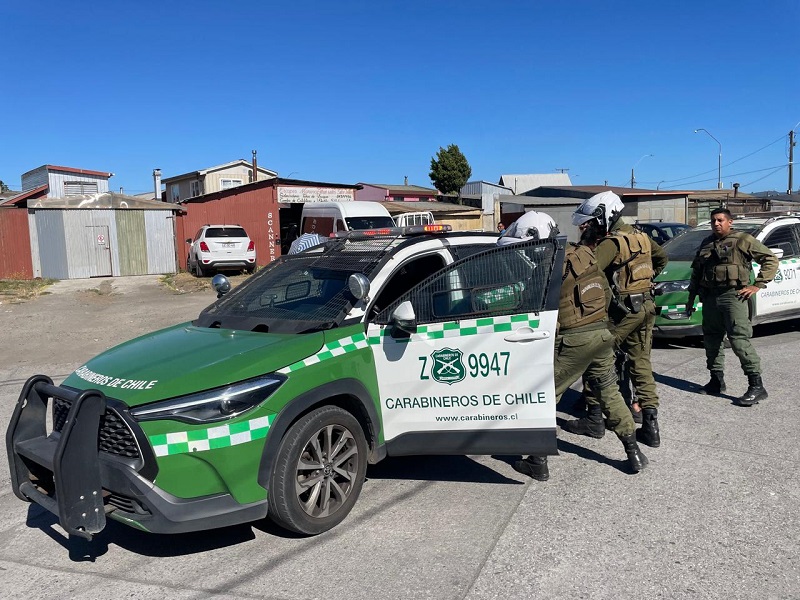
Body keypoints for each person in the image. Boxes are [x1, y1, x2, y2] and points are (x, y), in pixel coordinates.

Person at [504, 211, 648, 481]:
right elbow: (605, 291)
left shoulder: (549, 264)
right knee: (610, 393)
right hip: (600, 335)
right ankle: (634, 451)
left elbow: (529, 304)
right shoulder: (583, 254)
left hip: (573, 339)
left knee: (543, 397)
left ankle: (537, 460)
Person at [561, 191, 667, 449]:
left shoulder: (612, 243)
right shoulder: (641, 236)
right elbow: (661, 258)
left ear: (605, 216)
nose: (590, 226)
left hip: (621, 312)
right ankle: (650, 426)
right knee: (640, 362)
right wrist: (644, 282)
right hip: (646, 306)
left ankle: (594, 418)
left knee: (595, 355)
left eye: (593, 222)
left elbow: (585, 272)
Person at [686, 207, 778, 406]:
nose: (716, 224)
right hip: (710, 297)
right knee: (711, 339)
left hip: (733, 296)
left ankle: (756, 385)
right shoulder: (706, 243)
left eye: (720, 220)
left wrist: (757, 284)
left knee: (738, 339)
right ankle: (716, 381)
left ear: (730, 222)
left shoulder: (743, 240)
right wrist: (691, 297)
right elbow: (696, 273)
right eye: (713, 221)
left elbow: (770, 259)